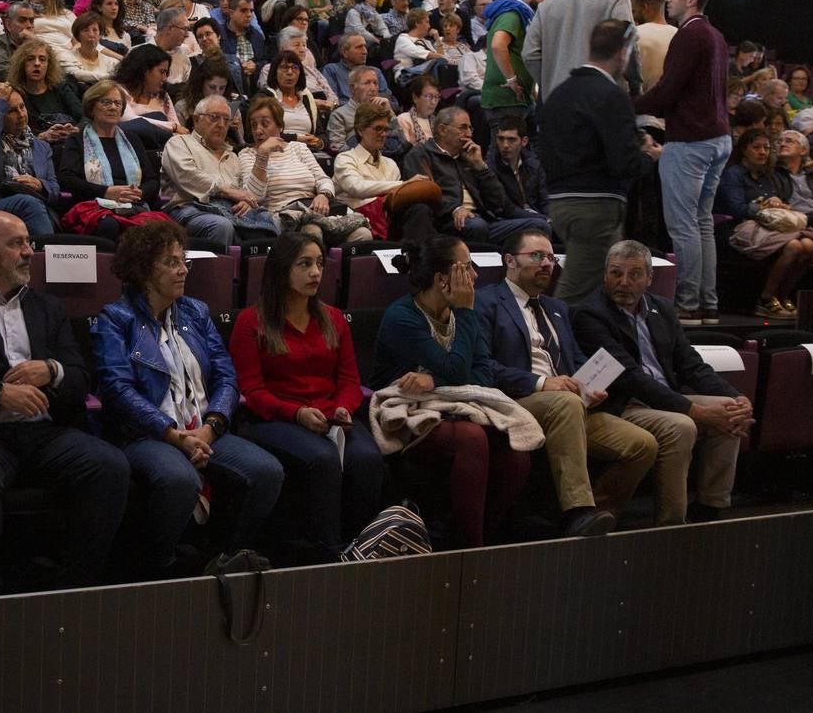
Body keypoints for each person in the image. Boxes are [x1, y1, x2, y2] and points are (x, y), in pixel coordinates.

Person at [0, 211, 128, 594]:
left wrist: (52, 370)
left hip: (44, 431)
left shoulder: (48, 308)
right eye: (17, 243)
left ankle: (74, 587)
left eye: (29, 242)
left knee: (109, 465)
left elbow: (81, 376)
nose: (29, 252)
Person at [92, 220, 284, 574]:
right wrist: (172, 434)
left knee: (266, 470)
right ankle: (156, 567)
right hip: (147, 435)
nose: (183, 270)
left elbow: (226, 376)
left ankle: (226, 557)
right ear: (143, 269)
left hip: (202, 429)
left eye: (184, 262)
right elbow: (117, 391)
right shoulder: (116, 318)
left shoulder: (195, 312)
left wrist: (211, 427)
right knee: (179, 480)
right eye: (171, 262)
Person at [475, 228, 656, 535]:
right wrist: (541, 383)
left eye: (550, 257)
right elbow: (483, 367)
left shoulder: (557, 308)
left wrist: (591, 384)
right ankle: (578, 512)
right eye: (536, 256)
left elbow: (576, 357)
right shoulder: (486, 302)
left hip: (570, 404)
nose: (546, 263)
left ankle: (598, 515)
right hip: (518, 399)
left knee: (642, 445)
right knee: (565, 401)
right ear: (510, 261)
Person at [367, 236, 533, 546]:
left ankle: (482, 536)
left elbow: (484, 374)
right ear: (443, 280)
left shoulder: (460, 316)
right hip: (405, 416)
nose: (475, 277)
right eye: (467, 268)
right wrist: (467, 314)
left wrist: (433, 379)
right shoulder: (403, 316)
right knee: (472, 438)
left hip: (451, 409)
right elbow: (458, 372)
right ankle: (469, 551)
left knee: (516, 452)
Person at [572, 240, 751, 526]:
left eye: (635, 275)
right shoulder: (589, 314)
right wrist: (695, 411)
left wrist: (738, 396)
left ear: (650, 278)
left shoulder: (663, 309)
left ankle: (710, 505)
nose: (624, 282)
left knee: (729, 409)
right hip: (624, 404)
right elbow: (629, 378)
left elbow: (691, 364)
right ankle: (671, 521)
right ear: (605, 274)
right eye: (616, 273)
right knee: (682, 425)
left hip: (664, 398)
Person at [228, 233, 383, 562]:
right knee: (322, 458)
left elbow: (349, 380)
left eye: (320, 264)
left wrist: (345, 406)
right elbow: (252, 392)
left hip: (330, 416)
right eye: (305, 264)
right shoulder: (250, 322)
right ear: (282, 270)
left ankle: (363, 547)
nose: (316, 272)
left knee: (367, 457)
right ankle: (326, 554)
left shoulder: (333, 317)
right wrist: (297, 413)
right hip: (273, 418)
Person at [539, 19, 661, 305]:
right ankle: (550, 345)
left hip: (561, 204)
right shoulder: (610, 95)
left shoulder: (559, 93)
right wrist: (648, 155)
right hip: (594, 206)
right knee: (577, 293)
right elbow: (624, 163)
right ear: (623, 52)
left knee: (596, 292)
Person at [634, 0, 731, 326]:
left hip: (691, 139)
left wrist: (630, 105)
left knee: (684, 226)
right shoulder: (715, 35)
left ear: (691, 0)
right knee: (702, 223)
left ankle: (689, 304)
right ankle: (707, 303)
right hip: (718, 138)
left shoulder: (689, 35)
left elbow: (668, 89)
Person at [402, 107, 549, 246]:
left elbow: (499, 201)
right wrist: (454, 209)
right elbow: (423, 192)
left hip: (483, 219)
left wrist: (481, 167)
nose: (469, 134)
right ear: (442, 130)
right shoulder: (421, 154)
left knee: (540, 226)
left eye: (470, 128)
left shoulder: (469, 157)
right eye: (463, 127)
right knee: (477, 226)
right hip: (447, 220)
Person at [713, 128, 813, 319]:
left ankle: (784, 296)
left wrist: (778, 204)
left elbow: (772, 203)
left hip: (766, 225)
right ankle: (766, 298)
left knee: (808, 246)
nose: (763, 152)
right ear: (744, 149)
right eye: (757, 147)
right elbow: (737, 209)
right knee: (794, 246)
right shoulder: (733, 174)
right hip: (740, 227)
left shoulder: (767, 175)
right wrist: (762, 206)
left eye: (767, 148)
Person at [241, 96, 372, 246]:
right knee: (312, 230)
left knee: (363, 234)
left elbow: (323, 179)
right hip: (284, 216)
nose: (258, 130)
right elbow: (254, 197)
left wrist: (323, 195)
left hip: (314, 210)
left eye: (264, 124)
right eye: (253, 125)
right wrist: (263, 153)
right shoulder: (248, 155)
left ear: (280, 126)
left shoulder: (298, 148)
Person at [160, 94, 278, 250]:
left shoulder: (233, 156)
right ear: (196, 120)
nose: (222, 125)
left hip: (228, 209)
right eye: (214, 117)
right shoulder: (179, 143)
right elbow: (188, 177)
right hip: (187, 208)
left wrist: (245, 202)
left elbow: (242, 190)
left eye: (226, 120)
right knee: (221, 225)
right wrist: (228, 192)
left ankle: (249, 272)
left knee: (269, 221)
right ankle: (220, 274)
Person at [59, 79, 171, 239]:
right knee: (109, 224)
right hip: (94, 206)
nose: (113, 107)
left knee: (162, 228)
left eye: (118, 103)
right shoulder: (77, 140)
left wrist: (139, 193)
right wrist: (106, 192)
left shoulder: (132, 139)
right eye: (106, 102)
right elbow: (67, 179)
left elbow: (152, 180)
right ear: (91, 107)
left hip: (133, 205)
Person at [523, 0, 639, 98]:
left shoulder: (547, 5)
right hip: (603, 99)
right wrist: (636, 85)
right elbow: (627, 44)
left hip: (557, 101)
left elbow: (529, 53)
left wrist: (549, 80)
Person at [332, 104, 436, 242]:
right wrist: (404, 184)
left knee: (420, 209)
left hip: (389, 222)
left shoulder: (390, 164)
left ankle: (418, 257)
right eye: (378, 129)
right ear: (360, 130)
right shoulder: (345, 158)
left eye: (386, 129)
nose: (384, 134)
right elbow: (357, 188)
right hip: (360, 224)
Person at [0, 82, 57, 233]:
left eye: (22, 107)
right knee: (30, 204)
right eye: (12, 111)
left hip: (33, 205)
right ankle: (45, 253)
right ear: (0, 114)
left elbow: (54, 188)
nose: (21, 115)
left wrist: (40, 184)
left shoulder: (42, 147)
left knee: (34, 206)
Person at [480, 0, 550, 126]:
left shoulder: (524, 18)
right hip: (505, 101)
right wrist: (511, 80)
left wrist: (531, 91)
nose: (548, 1)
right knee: (502, 149)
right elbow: (497, 45)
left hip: (520, 99)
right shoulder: (512, 14)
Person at [9, 37, 82, 138]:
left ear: (49, 65)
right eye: (30, 59)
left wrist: (74, 130)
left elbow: (84, 118)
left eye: (42, 59)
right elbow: (13, 132)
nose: (37, 63)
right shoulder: (16, 94)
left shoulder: (60, 88)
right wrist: (42, 136)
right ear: (22, 64)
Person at [327, 64, 404, 155]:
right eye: (367, 83)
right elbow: (337, 146)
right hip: (359, 161)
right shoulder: (339, 115)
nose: (373, 88)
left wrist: (390, 113)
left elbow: (400, 141)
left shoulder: (384, 109)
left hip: (389, 157)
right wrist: (368, 156)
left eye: (375, 83)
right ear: (353, 88)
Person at [491, 116, 549, 217]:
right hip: (510, 218)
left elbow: (545, 200)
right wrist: (542, 218)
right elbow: (505, 207)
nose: (505, 145)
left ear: (524, 141)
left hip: (535, 215)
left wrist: (550, 218)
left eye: (511, 140)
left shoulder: (534, 165)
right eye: (501, 139)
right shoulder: (491, 167)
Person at [632, 0, 678, 93]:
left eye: (634, 11)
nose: (632, 16)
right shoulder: (680, 35)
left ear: (645, 7)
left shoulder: (634, 34)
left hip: (640, 103)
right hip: (672, 104)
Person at [58, 13, 121, 85]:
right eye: (86, 30)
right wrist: (111, 77)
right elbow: (76, 74)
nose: (91, 34)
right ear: (77, 36)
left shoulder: (112, 63)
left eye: (95, 30)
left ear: (100, 35)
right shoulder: (65, 57)